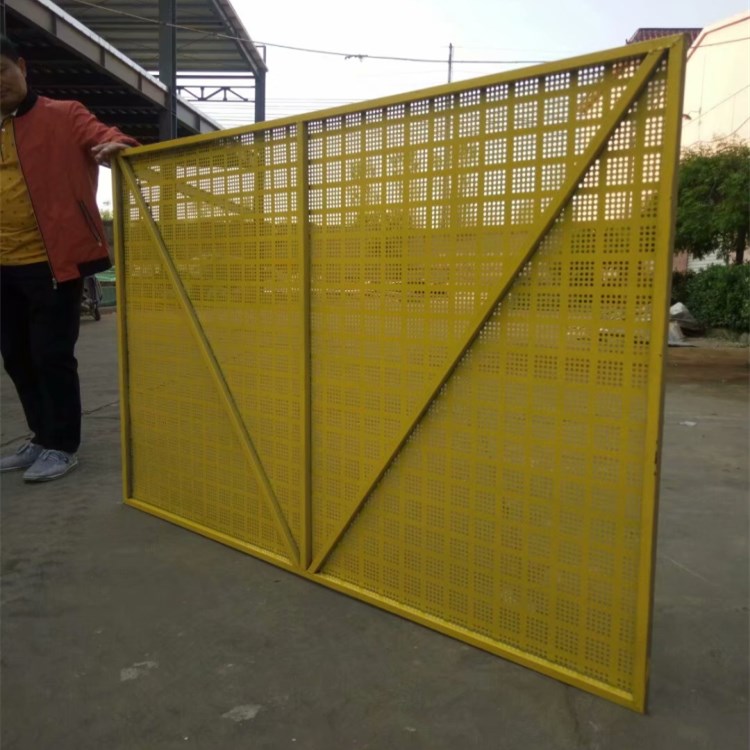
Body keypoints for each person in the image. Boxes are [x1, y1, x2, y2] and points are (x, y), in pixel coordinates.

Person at [0, 34, 138, 482]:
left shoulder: (64, 115)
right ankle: (41, 437)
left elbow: (106, 135)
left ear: (22, 67)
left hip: (52, 262)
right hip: (3, 266)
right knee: (16, 356)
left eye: (1, 70)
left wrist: (117, 145)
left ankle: (62, 445)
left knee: (51, 354)